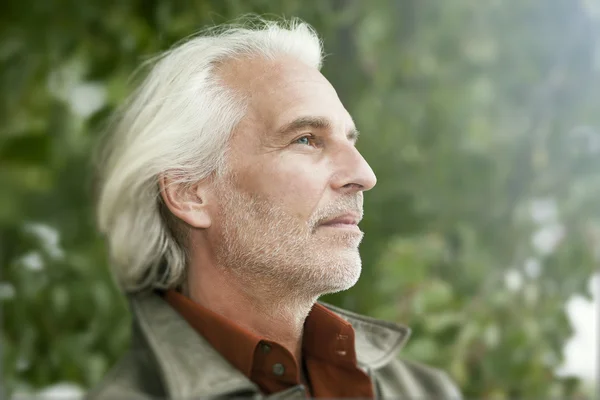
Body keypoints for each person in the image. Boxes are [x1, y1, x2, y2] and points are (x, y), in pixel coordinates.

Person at [89, 18, 461, 399]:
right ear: (188, 192)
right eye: (306, 139)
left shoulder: (426, 391)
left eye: (350, 140)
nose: (364, 174)